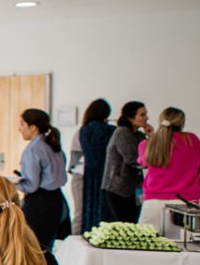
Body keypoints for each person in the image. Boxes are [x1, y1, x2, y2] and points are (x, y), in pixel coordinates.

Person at [138, 107, 200, 230]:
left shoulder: (147, 144)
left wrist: (151, 137)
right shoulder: (190, 139)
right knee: (181, 246)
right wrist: (189, 171)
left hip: (153, 202)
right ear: (182, 123)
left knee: (144, 243)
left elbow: (144, 162)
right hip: (183, 202)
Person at [15, 108, 69, 250]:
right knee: (46, 250)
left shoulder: (33, 149)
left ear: (33, 127)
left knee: (30, 249)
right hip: (57, 202)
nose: (19, 129)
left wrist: (13, 184)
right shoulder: (54, 145)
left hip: (40, 205)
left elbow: (31, 186)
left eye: (22, 124)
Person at [102, 101, 151, 223]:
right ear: (130, 118)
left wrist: (151, 136)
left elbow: (151, 153)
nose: (147, 118)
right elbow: (132, 159)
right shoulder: (123, 132)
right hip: (119, 188)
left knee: (135, 222)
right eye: (142, 114)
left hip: (134, 188)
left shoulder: (139, 135)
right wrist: (154, 163)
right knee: (126, 224)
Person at [75, 99, 115, 231]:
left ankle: (88, 233)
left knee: (88, 206)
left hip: (89, 171)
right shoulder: (112, 130)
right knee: (105, 207)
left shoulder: (84, 130)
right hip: (106, 172)